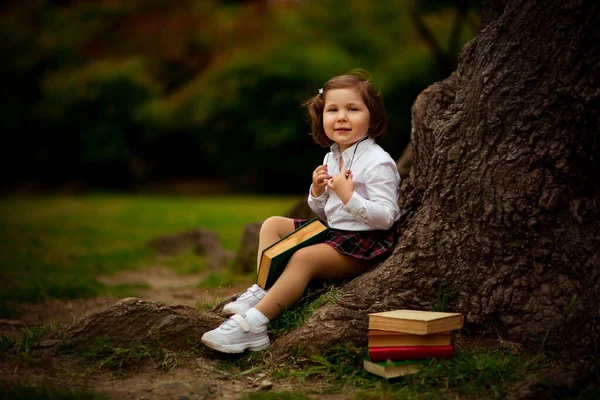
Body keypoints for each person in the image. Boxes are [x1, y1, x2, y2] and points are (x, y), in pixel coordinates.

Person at [201, 70, 401, 353]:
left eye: (353, 109)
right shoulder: (332, 156)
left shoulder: (378, 162)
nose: (341, 117)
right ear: (322, 117)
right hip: (335, 234)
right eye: (333, 109)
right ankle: (264, 288)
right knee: (272, 224)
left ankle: (254, 326)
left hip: (364, 245)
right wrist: (317, 192)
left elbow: (386, 217)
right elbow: (324, 212)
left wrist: (349, 197)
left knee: (304, 257)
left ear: (373, 117)